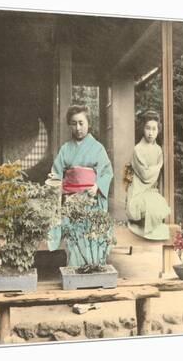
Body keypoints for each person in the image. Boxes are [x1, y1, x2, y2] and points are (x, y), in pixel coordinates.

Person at [47, 105, 114, 267]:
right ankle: (76, 268)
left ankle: (94, 267)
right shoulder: (65, 149)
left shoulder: (98, 148)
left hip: (92, 200)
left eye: (81, 123)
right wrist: (56, 183)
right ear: (70, 125)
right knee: (72, 230)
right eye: (74, 123)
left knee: (93, 230)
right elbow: (56, 174)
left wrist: (97, 186)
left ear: (88, 124)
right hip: (71, 201)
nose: (78, 128)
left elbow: (107, 172)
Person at [125, 110, 171, 240]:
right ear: (143, 129)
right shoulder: (138, 149)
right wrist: (157, 167)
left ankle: (149, 228)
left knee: (159, 203)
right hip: (138, 192)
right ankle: (140, 225)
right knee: (151, 203)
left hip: (152, 191)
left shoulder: (158, 150)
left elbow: (154, 174)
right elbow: (145, 176)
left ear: (158, 130)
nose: (150, 133)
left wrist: (153, 168)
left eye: (154, 129)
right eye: (147, 128)